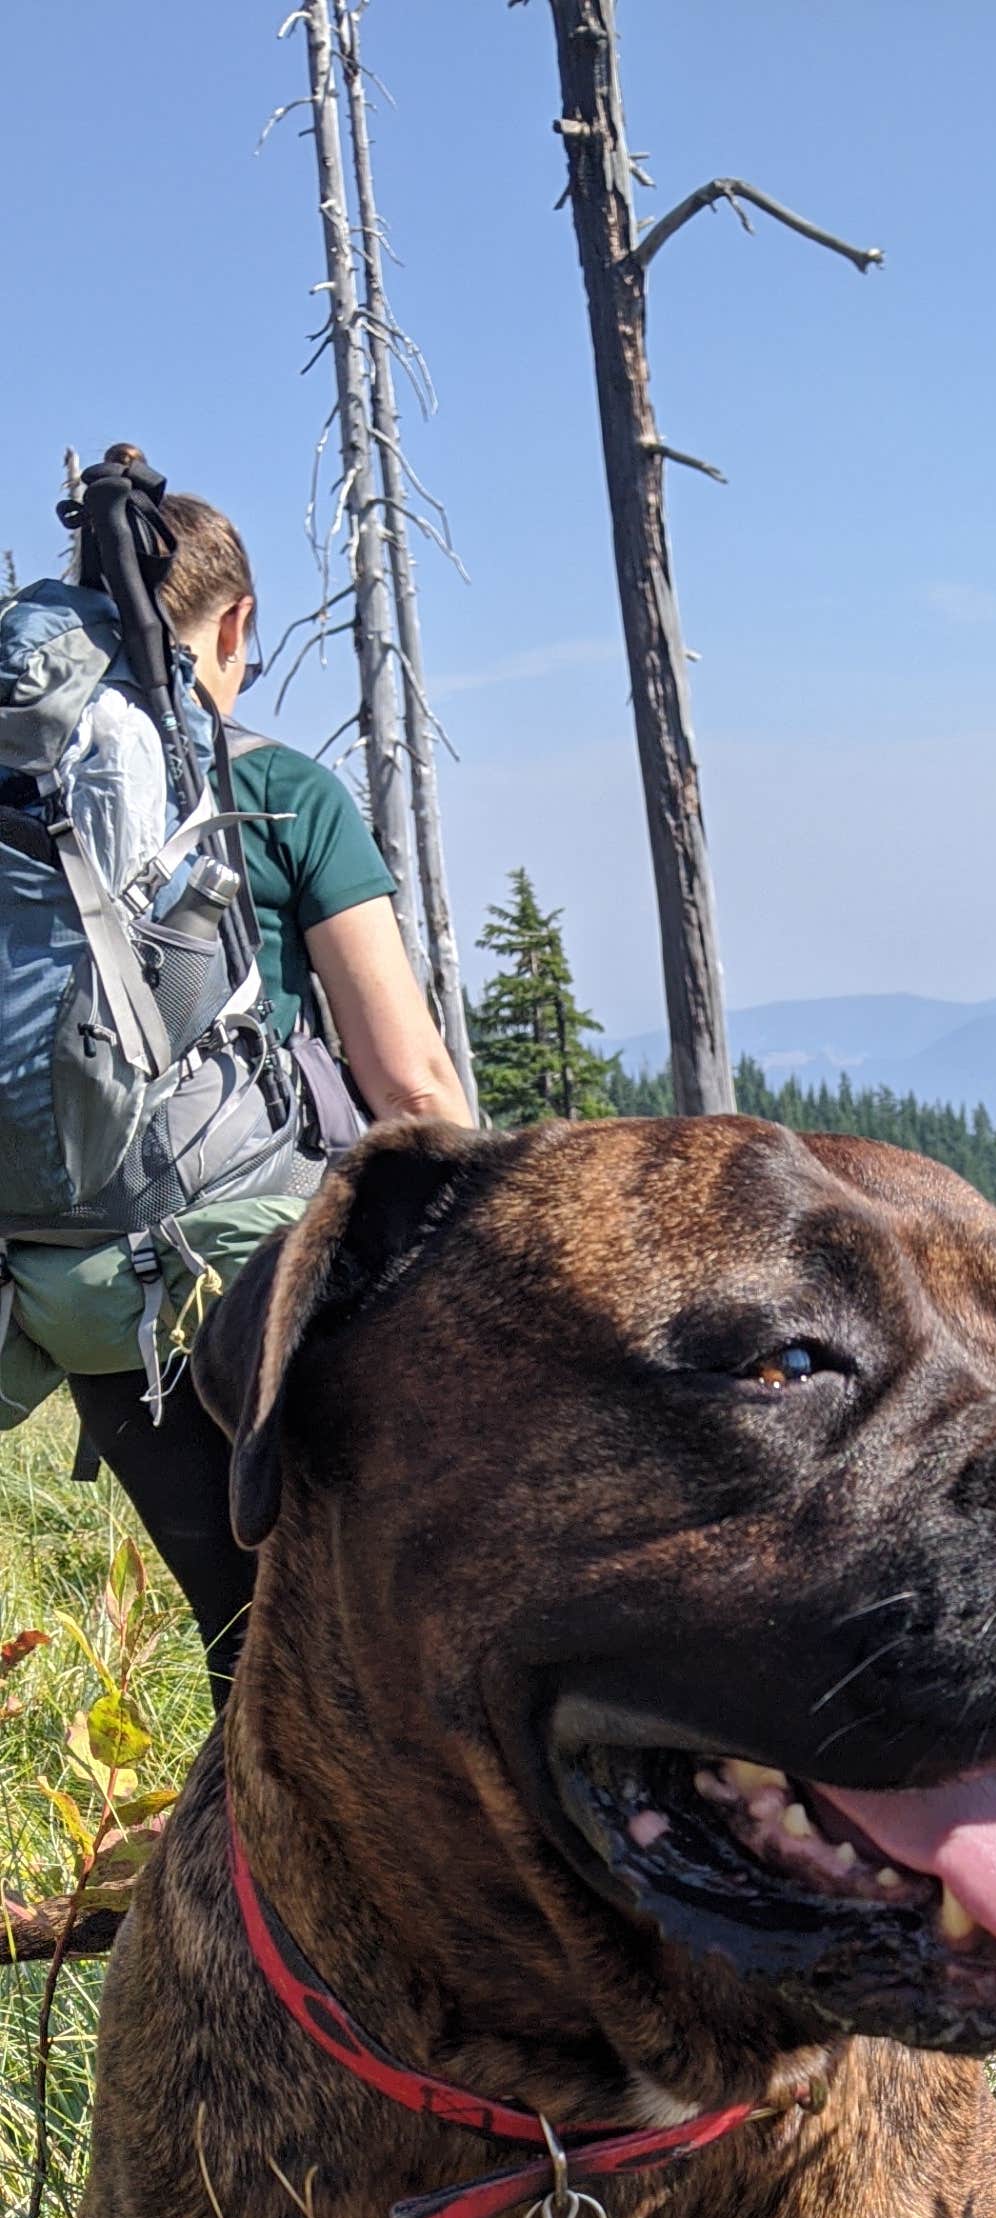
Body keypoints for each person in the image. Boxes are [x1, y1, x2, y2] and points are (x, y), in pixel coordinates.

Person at [63, 486, 469, 1695]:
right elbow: (407, 1075)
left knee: (240, 1639)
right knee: (357, 1639)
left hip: (81, 1292)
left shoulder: (27, 811)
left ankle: (215, 1870)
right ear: (236, 625)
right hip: (258, 1262)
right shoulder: (284, 792)